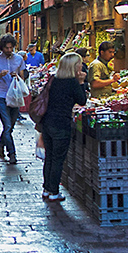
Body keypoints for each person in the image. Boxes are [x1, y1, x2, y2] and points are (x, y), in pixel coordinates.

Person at [40, 52, 87, 202]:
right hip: (61, 124)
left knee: (49, 157)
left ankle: (47, 188)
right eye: (79, 63)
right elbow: (82, 101)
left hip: (47, 122)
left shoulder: (54, 79)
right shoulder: (72, 82)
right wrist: (81, 82)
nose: (81, 66)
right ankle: (54, 191)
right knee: (58, 159)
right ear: (74, 66)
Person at [0, 34, 27, 164]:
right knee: (7, 124)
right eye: (6, 48)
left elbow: (23, 78)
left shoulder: (19, 59)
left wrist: (17, 76)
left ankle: (1, 144)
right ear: (2, 47)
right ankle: (12, 153)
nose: (9, 50)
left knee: (9, 127)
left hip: (15, 96)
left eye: (11, 48)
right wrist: (0, 75)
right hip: (1, 95)